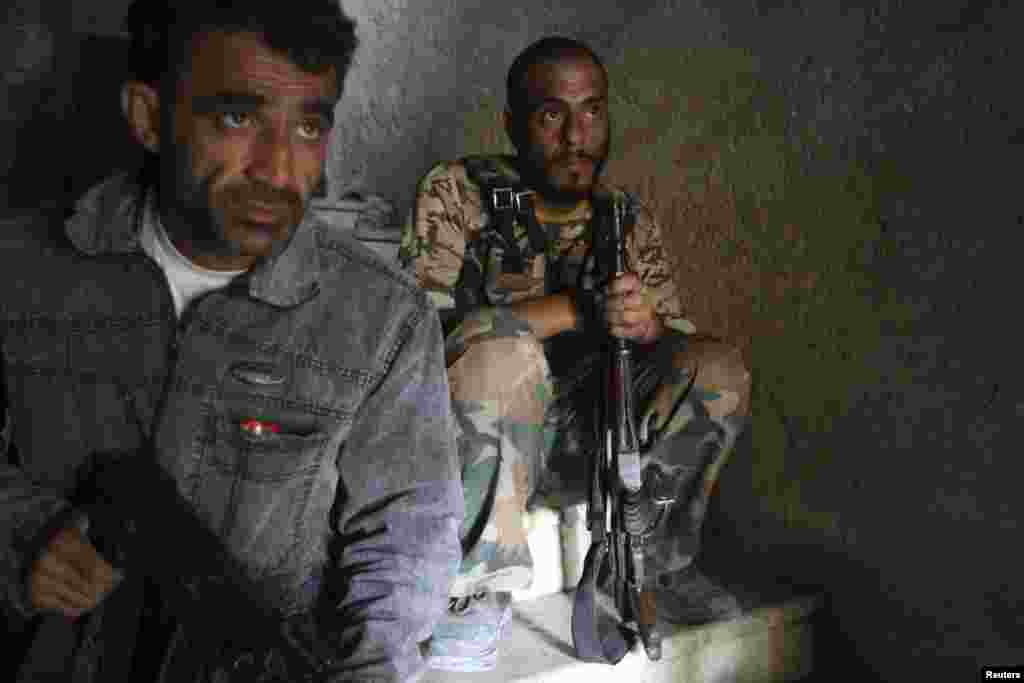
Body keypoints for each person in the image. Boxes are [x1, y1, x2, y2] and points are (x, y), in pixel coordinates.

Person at [0, 1, 463, 681]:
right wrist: (24, 536)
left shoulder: (380, 319)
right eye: (238, 119)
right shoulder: (24, 271)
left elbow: (405, 545)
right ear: (149, 117)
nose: (279, 169)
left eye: (309, 126)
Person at [399, 36, 752, 671]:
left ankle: (659, 564)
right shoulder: (460, 192)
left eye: (591, 111)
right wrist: (572, 311)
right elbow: (417, 338)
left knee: (718, 367)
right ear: (513, 123)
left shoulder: (623, 216)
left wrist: (646, 329)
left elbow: (675, 344)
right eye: (551, 114)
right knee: (505, 358)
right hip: (482, 448)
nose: (575, 135)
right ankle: (474, 594)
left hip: (594, 441)